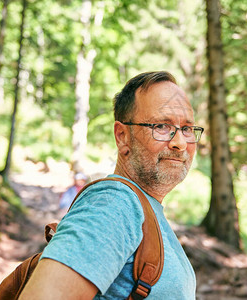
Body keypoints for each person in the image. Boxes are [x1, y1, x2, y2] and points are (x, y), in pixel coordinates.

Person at [19, 71, 204, 299]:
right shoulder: (114, 203)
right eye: (161, 127)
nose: (179, 143)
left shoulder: (144, 210)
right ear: (122, 136)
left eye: (186, 128)